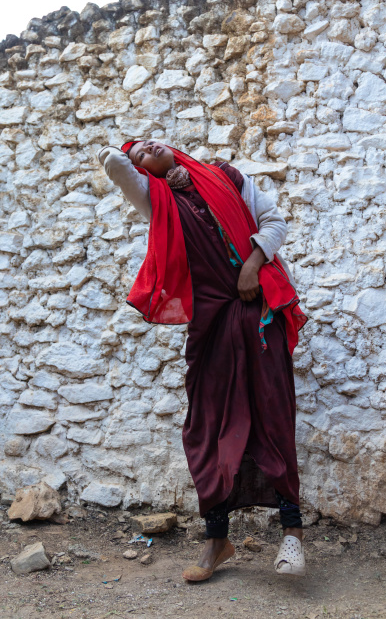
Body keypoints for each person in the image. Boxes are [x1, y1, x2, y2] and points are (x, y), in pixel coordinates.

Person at [98, 139, 307, 580]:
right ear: (145, 174)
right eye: (141, 153)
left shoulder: (225, 176)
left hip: (259, 312)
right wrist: (126, 155)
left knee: (273, 414)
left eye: (152, 140)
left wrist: (252, 263)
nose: (148, 145)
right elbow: (116, 165)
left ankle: (292, 535)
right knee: (208, 427)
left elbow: (274, 221)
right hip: (212, 326)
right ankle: (217, 541)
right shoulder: (158, 204)